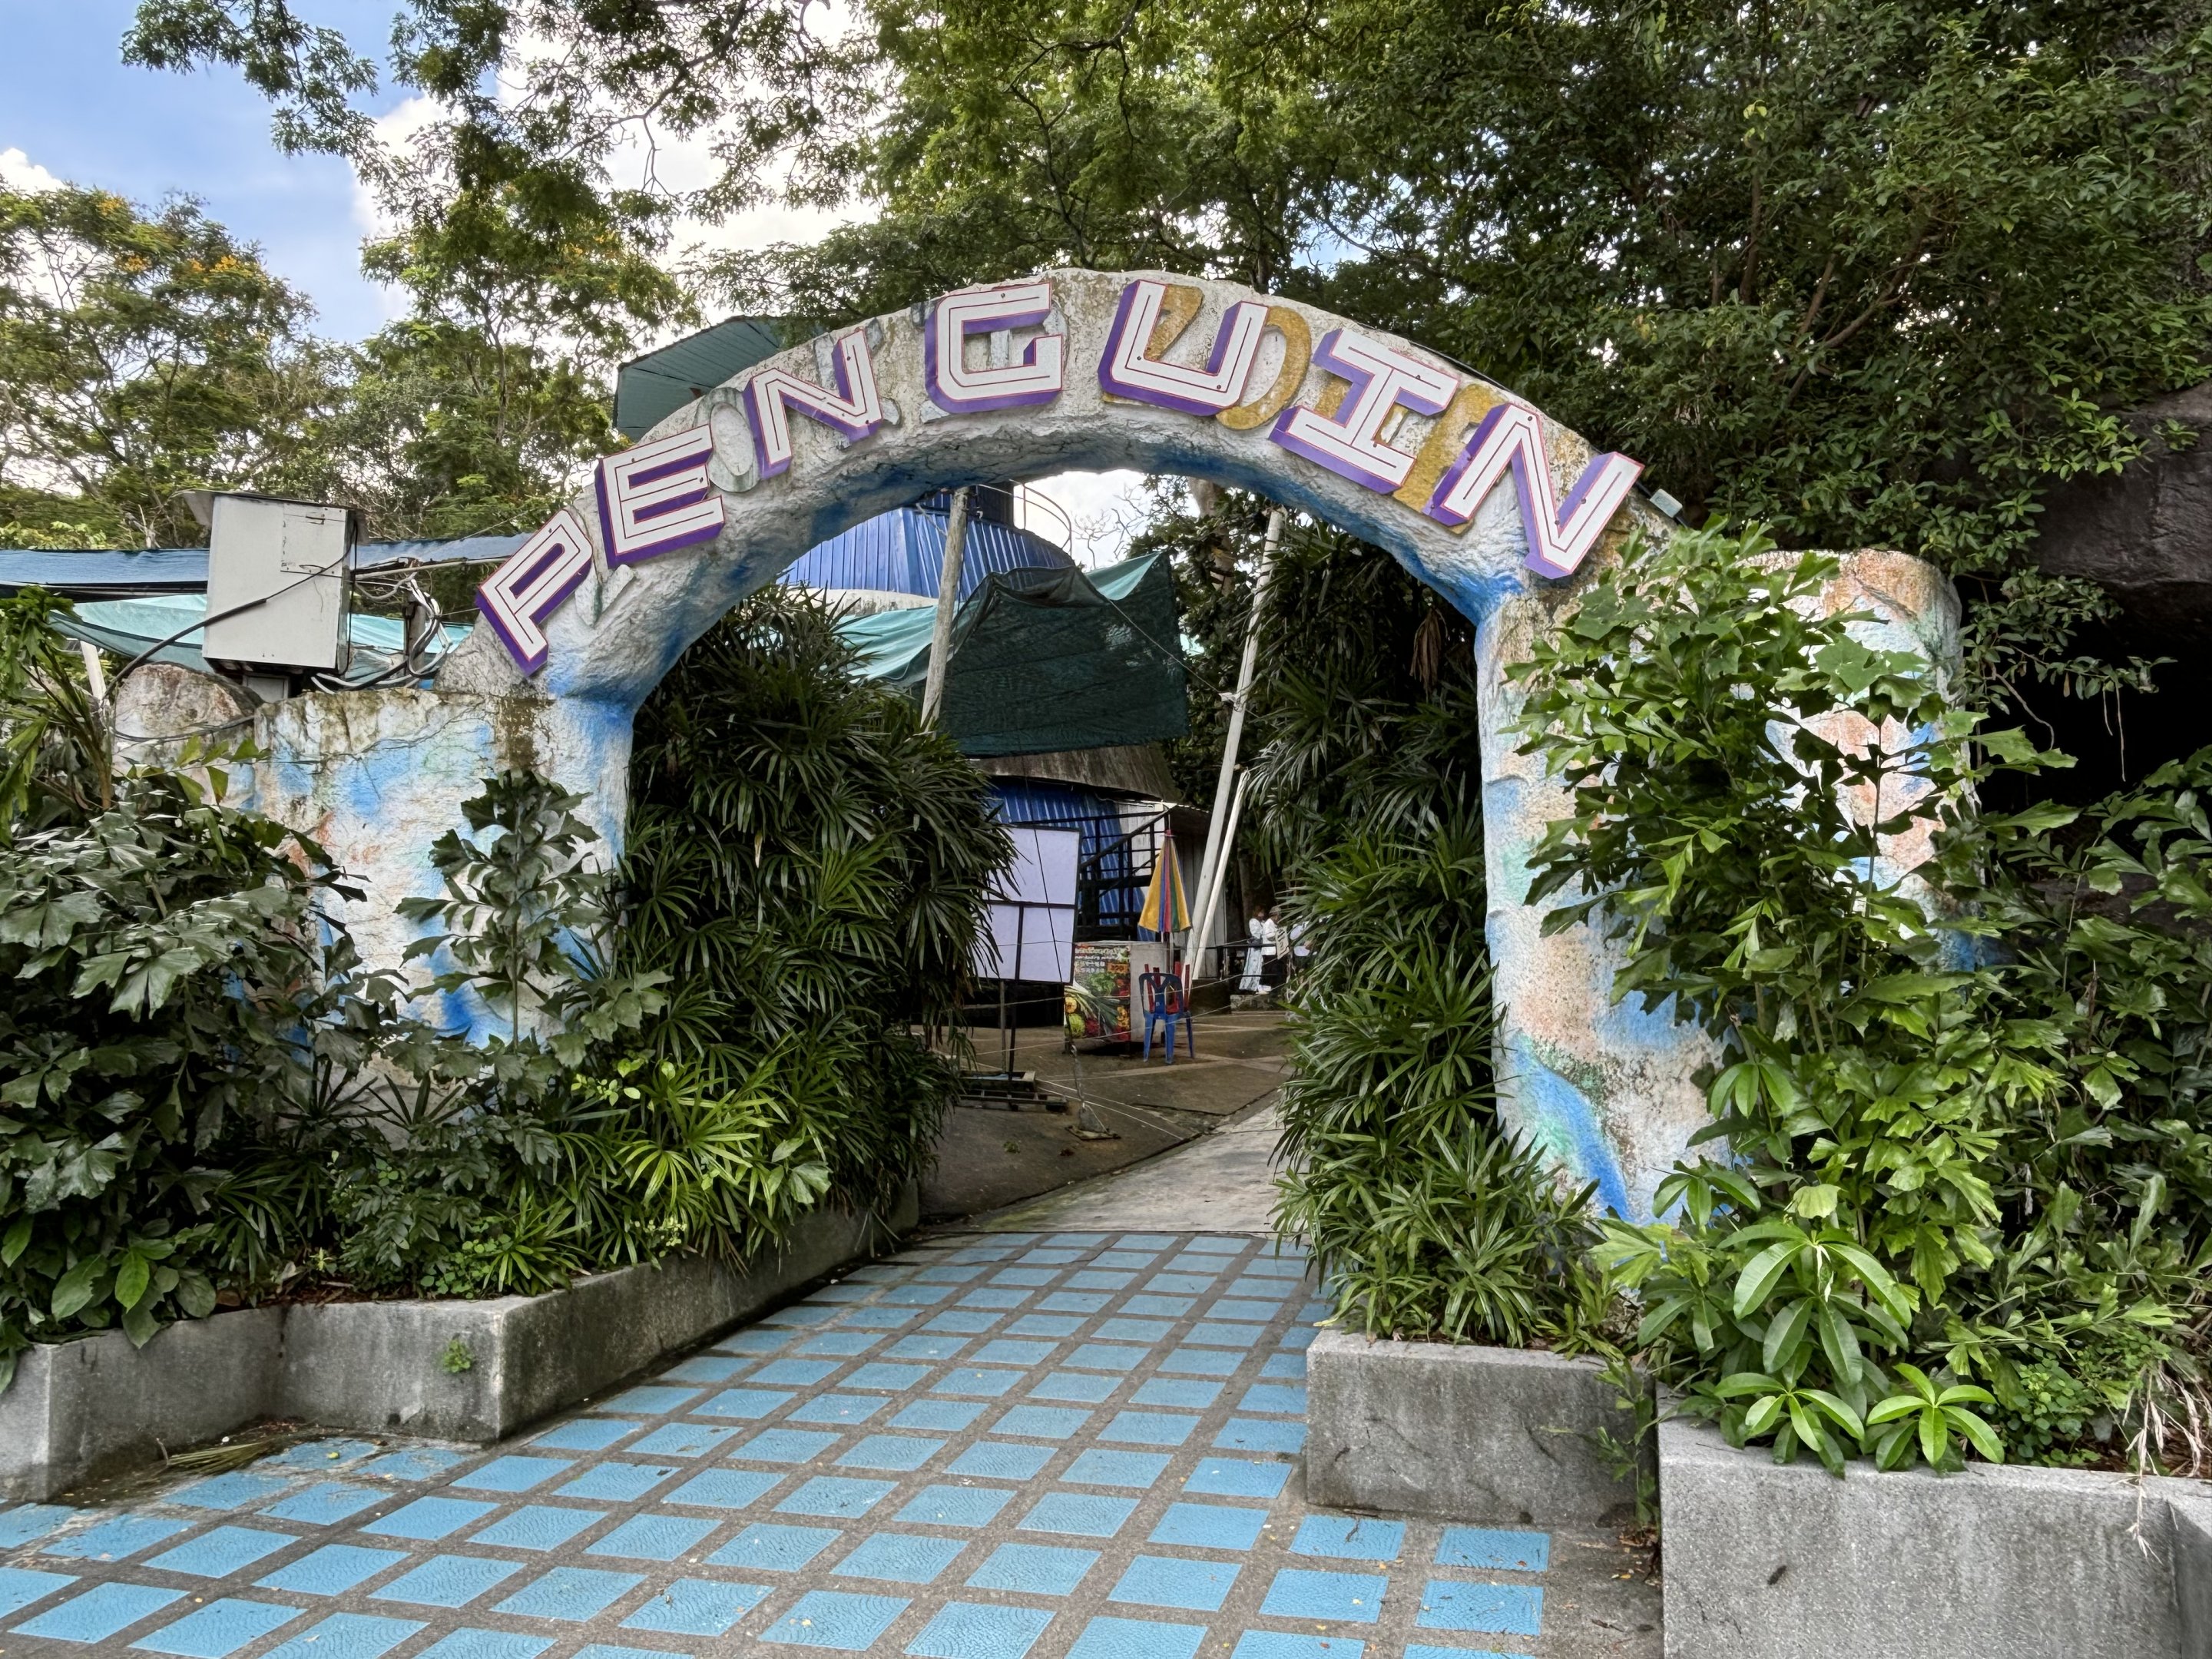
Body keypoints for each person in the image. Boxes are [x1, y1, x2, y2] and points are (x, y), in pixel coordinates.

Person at [1239, 906, 1268, 992]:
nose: (1262, 914)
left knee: (1260, 966)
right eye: (1261, 912)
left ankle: (1258, 984)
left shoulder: (1263, 922)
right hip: (1256, 948)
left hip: (1262, 947)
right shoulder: (1253, 921)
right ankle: (1249, 985)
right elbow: (1256, 933)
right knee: (1253, 965)